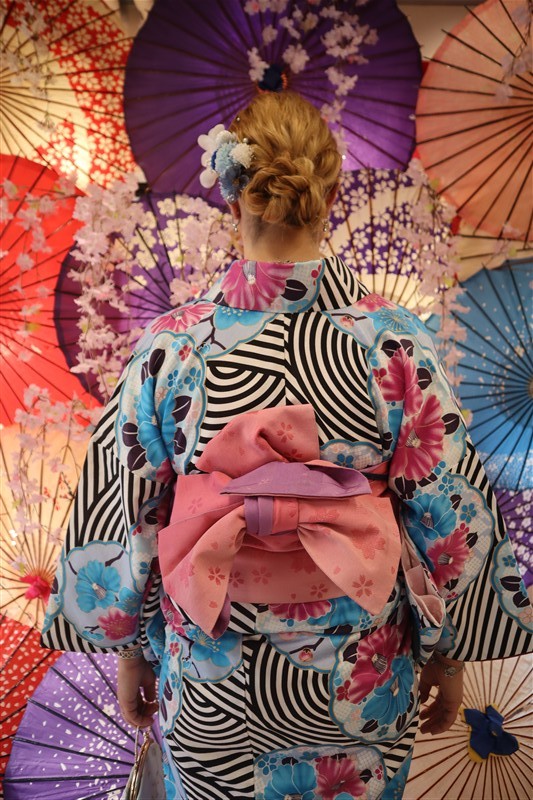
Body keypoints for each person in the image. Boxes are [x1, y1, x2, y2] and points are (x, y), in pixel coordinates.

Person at [42, 92, 532, 800]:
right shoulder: (392, 341)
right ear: (329, 194)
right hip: (358, 676)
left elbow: (130, 513)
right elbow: (451, 515)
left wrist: (128, 649)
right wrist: (448, 653)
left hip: (211, 675)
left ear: (230, 194)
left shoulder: (173, 346)